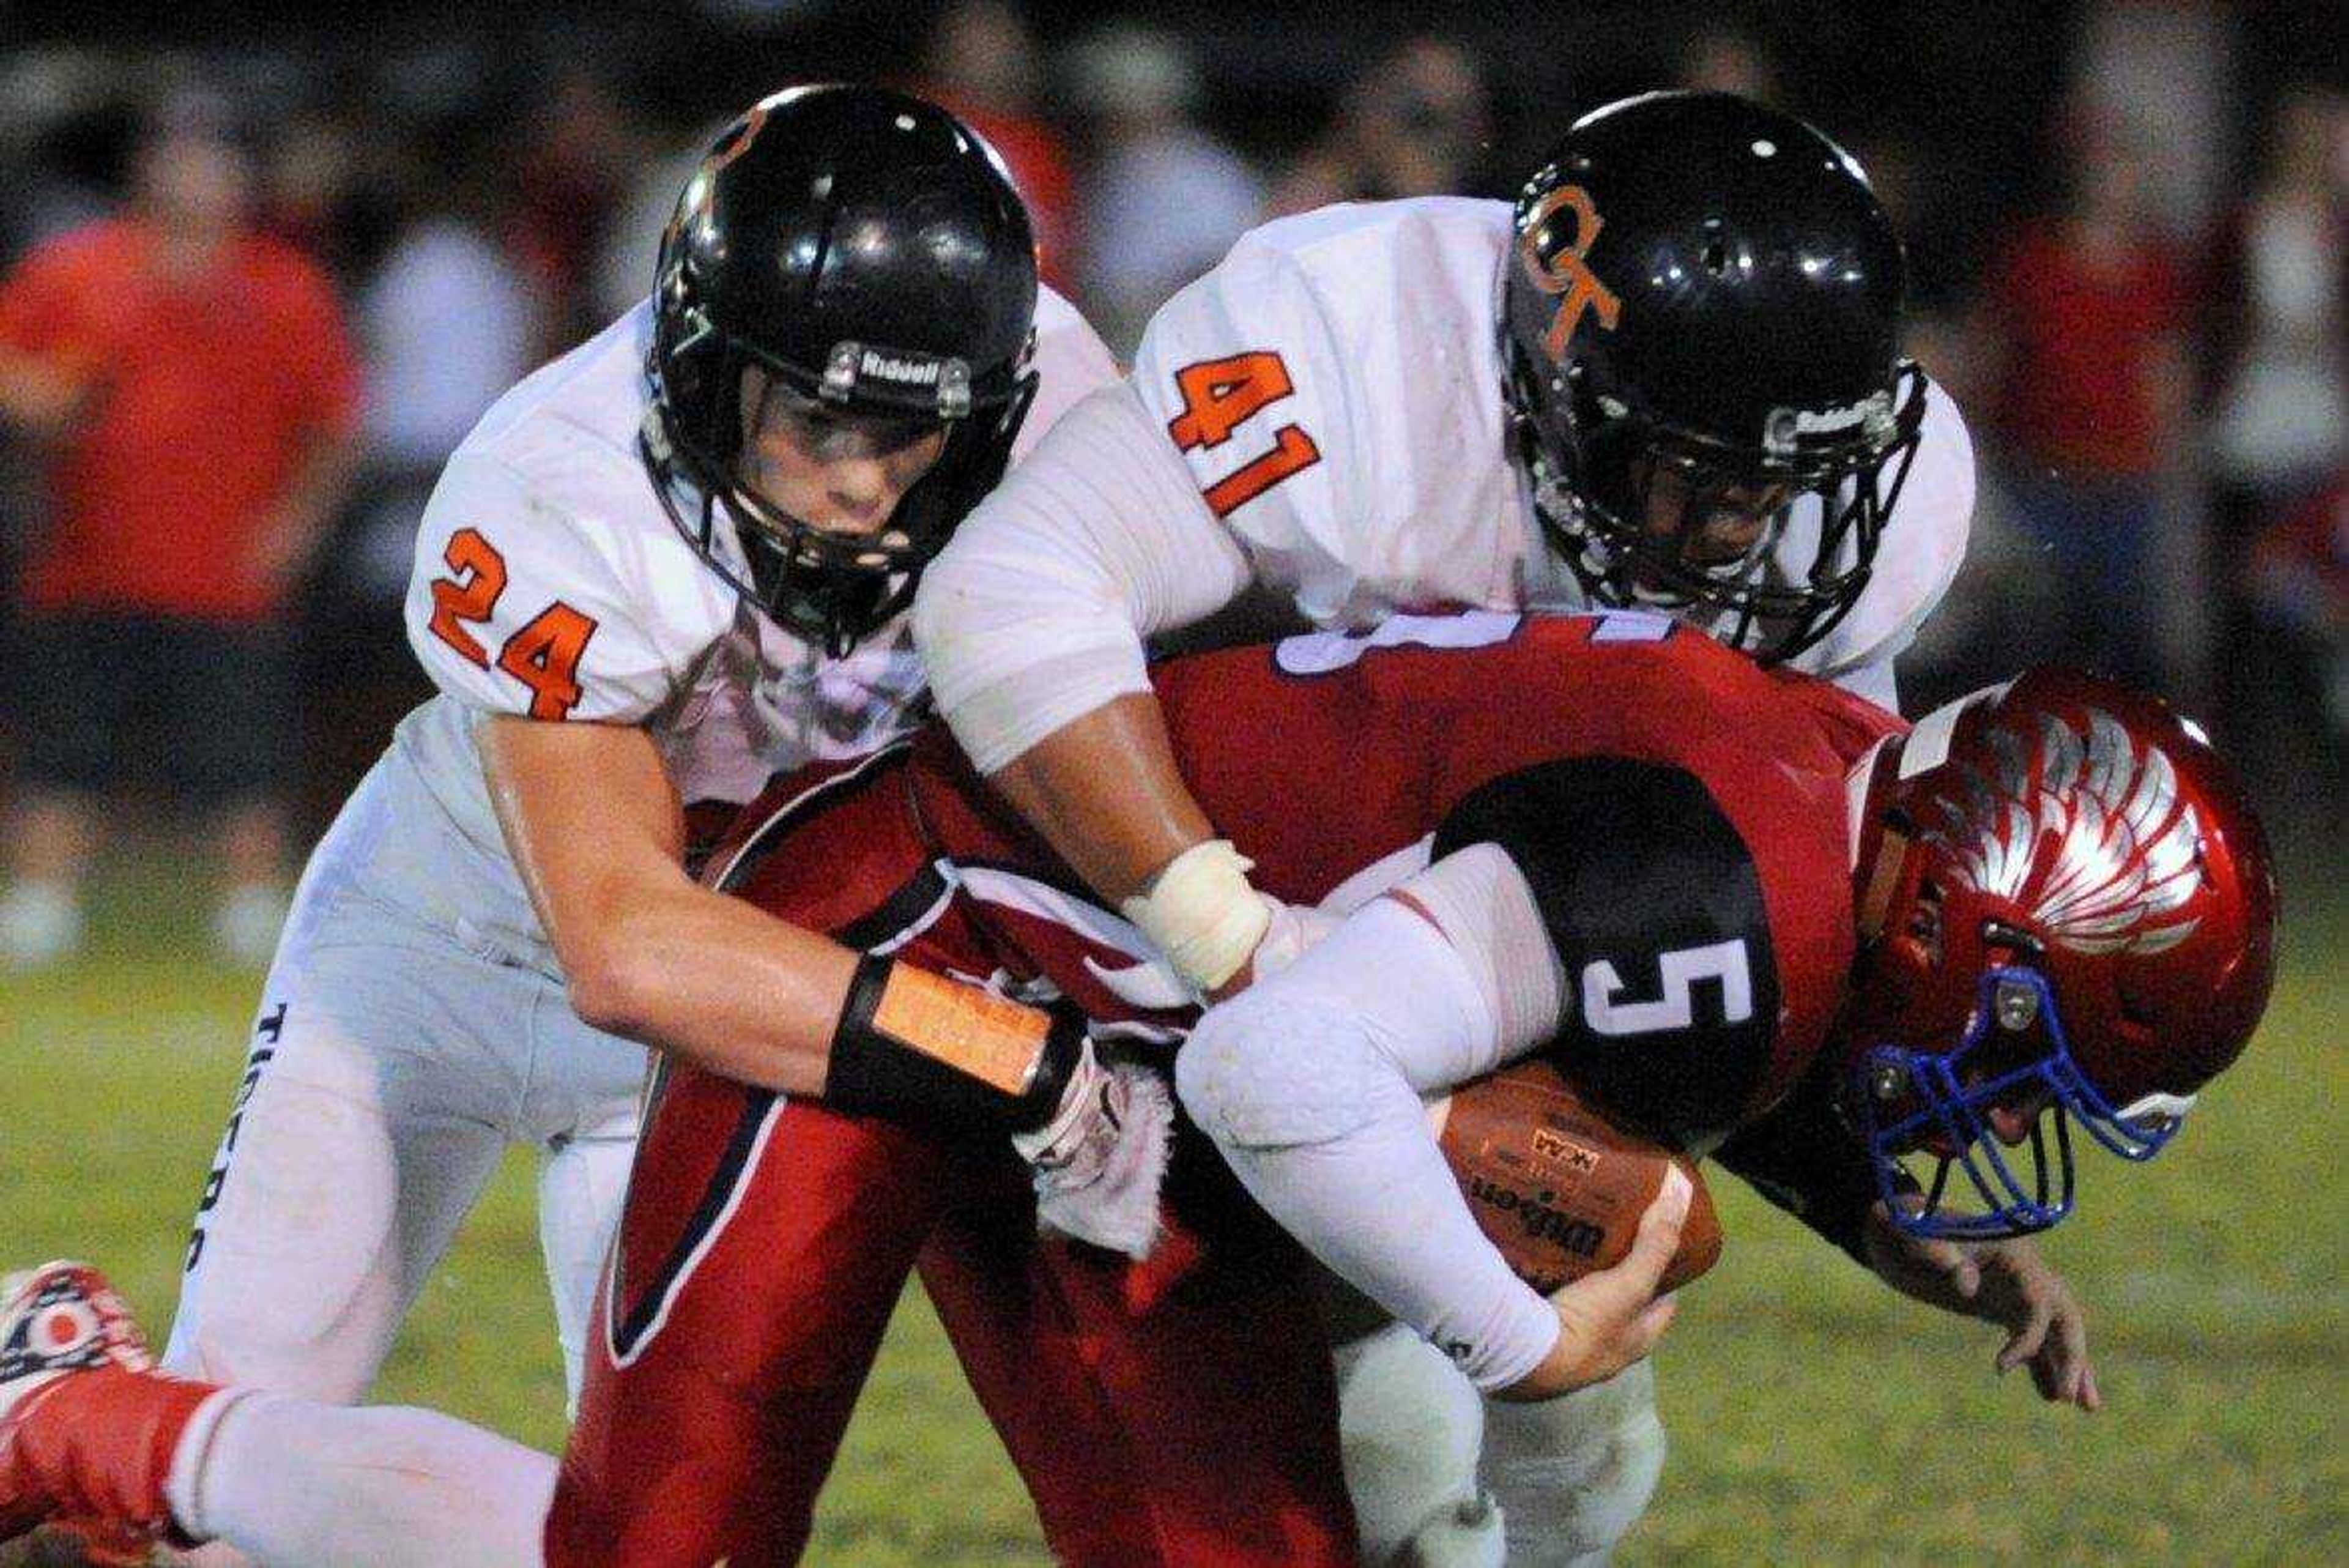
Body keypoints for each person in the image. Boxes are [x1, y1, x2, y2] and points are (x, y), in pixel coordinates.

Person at [0, 614, 2278, 1566]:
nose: (2004, 1092)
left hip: (1104, 1065)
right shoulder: (1730, 856)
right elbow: (1299, 1057)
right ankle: (61, 1410)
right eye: (2028, 1036)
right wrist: (1521, 1333)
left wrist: (1901, 1223)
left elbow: (1681, 1001)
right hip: (908, 955)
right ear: (1954, 918)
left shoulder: (1806, 783)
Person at [911, 88, 1976, 1560]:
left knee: (1585, 1392)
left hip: (1507, 918)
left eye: (1785, 480)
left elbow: (1770, 866)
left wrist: (1848, 1172)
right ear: (1559, 392)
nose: (1748, 532)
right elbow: (1005, 599)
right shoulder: (1349, 354)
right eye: (1704, 476)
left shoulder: (1857, 516)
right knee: (1333, 1451)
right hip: (1184, 901)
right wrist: (1236, 937)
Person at [94, 83, 1120, 1567]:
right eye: (823, 417)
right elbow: (626, 941)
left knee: (672, 1545)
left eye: (918, 434)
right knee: (201, 1499)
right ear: (712, 374)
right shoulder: (552, 489)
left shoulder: (1061, 413)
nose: (866, 483)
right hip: (446, 948)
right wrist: (1013, 1057)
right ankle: (58, 1409)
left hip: (741, 1014)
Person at [0, 92, 359, 968]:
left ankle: (250, 912)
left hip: (226, 572)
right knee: (61, 746)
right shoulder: (73, 270)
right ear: (145, 167)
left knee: (241, 755)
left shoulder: (286, 286)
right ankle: (41, 905)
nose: (194, 172)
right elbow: (15, 370)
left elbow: (335, 425)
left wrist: (297, 526)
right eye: (176, 151)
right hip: (84, 559)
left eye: (214, 154)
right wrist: (37, 401)